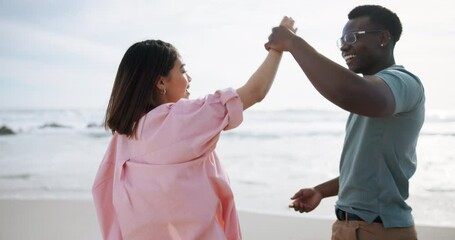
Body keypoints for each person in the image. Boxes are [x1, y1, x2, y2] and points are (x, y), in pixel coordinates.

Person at [92, 18, 295, 240]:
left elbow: (104, 194)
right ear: (161, 82)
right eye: (182, 70)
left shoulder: (124, 137)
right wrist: (280, 44)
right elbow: (255, 91)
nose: (189, 79)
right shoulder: (181, 119)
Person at [266, 5, 424, 240]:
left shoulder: (403, 82)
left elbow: (348, 91)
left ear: (383, 38)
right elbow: (366, 172)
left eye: (352, 38)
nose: (344, 46)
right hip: (347, 226)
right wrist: (321, 191)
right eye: (342, 39)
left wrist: (293, 43)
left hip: (380, 230)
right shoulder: (367, 96)